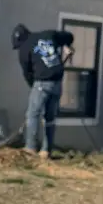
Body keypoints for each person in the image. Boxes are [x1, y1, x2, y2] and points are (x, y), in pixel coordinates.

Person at [13, 23, 74, 156]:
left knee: (32, 114)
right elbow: (69, 36)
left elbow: (27, 73)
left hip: (41, 83)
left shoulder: (24, 49)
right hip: (57, 83)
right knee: (49, 118)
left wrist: (33, 87)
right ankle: (46, 151)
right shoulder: (49, 34)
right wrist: (66, 46)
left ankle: (30, 147)